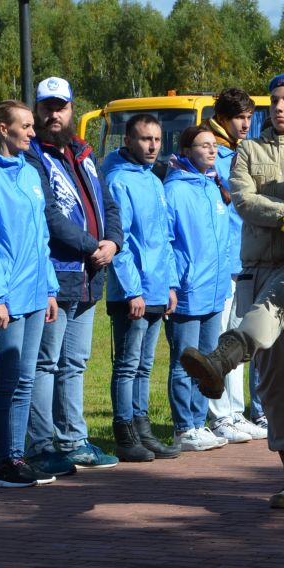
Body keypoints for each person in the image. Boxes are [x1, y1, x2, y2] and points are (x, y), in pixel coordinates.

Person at [182, 73, 284, 509]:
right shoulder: (248, 151)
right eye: (274, 100)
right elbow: (244, 200)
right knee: (272, 382)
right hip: (256, 266)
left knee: (272, 310)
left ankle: (222, 356)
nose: (278, 107)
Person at [26, 77, 122, 473]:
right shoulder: (33, 156)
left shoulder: (82, 153)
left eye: (60, 106)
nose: (54, 114)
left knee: (75, 362)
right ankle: (41, 444)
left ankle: (74, 439)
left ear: (70, 108)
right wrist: (90, 245)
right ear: (37, 110)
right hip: (58, 272)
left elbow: (109, 205)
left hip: (89, 275)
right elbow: (48, 215)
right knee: (46, 363)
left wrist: (112, 242)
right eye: (47, 107)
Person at [0, 103, 61, 488]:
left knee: (25, 379)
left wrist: (51, 287)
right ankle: (2, 462)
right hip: (7, 294)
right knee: (6, 380)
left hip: (36, 291)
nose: (33, 133)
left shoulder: (28, 173)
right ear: (3, 130)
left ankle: (17, 456)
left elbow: (41, 237)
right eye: (25, 126)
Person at [102, 114, 182, 461]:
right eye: (145, 139)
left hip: (156, 287)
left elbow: (163, 239)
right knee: (127, 363)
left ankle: (142, 426)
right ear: (129, 142)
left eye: (157, 140)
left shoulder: (153, 180)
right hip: (132, 291)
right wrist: (132, 289)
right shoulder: (119, 180)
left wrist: (170, 285)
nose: (152, 146)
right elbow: (120, 242)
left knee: (145, 364)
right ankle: (124, 431)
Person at [163, 125, 234, 451]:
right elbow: (169, 240)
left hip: (214, 290)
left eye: (214, 146)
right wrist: (176, 282)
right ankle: (184, 426)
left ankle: (199, 421)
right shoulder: (176, 190)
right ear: (187, 150)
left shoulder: (212, 187)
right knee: (185, 360)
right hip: (190, 290)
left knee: (206, 361)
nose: (211, 151)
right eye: (203, 146)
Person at [203, 88, 266, 440]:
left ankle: (235, 411)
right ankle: (219, 414)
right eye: (239, 117)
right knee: (220, 340)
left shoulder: (242, 151)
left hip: (243, 256)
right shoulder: (213, 153)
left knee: (240, 338)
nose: (245, 124)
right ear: (223, 118)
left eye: (248, 117)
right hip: (221, 259)